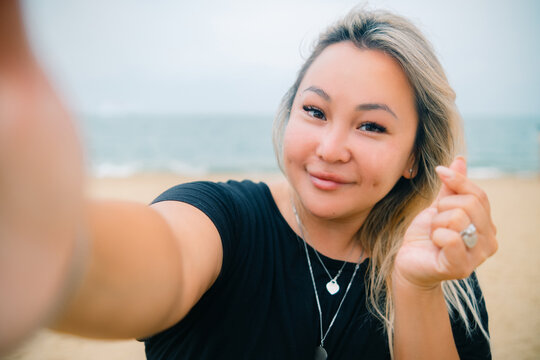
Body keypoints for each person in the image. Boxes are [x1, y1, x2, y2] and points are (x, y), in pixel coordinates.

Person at [0, 2, 498, 359]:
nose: (329, 148)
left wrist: (415, 289)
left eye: (371, 125)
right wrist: (30, 233)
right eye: (314, 110)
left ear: (414, 157)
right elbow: (163, 259)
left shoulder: (441, 273)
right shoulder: (223, 219)